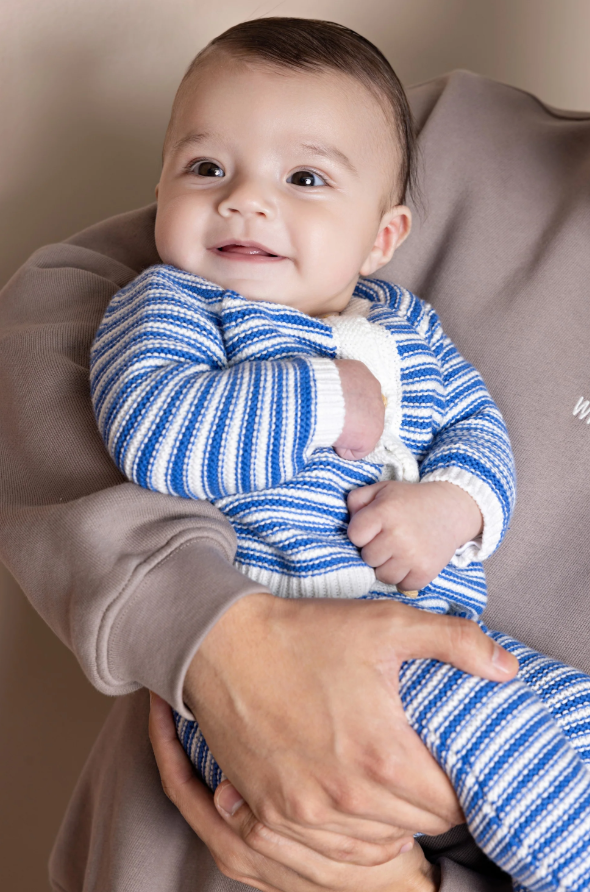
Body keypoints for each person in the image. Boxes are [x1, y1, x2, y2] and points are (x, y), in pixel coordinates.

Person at [89, 19, 590, 892]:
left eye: (304, 179)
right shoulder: (172, 304)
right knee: (503, 736)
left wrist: (456, 504)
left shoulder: (407, 326)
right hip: (292, 651)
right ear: (160, 188)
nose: (246, 201)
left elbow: (477, 429)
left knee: (568, 711)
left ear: (382, 238)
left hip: (436, 640)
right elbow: (154, 431)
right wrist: (324, 399)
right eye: (205, 168)